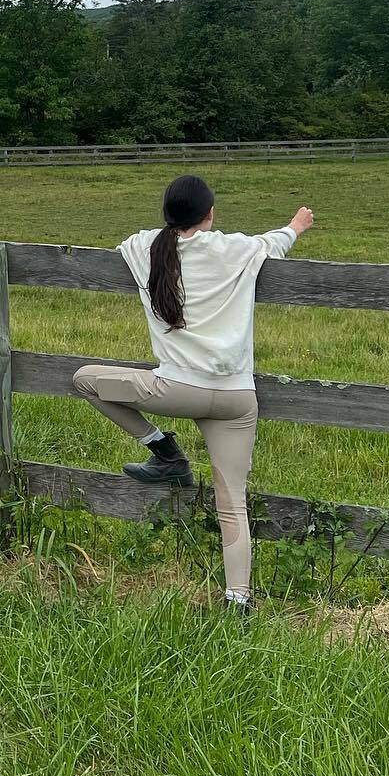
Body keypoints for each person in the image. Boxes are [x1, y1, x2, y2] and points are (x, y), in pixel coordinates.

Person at [72, 174, 314, 614]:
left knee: (85, 379)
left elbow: (132, 244)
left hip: (176, 391)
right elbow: (273, 242)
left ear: (166, 216)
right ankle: (238, 602)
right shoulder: (237, 249)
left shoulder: (146, 248)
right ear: (211, 215)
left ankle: (163, 450)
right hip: (238, 398)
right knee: (231, 504)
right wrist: (296, 225)